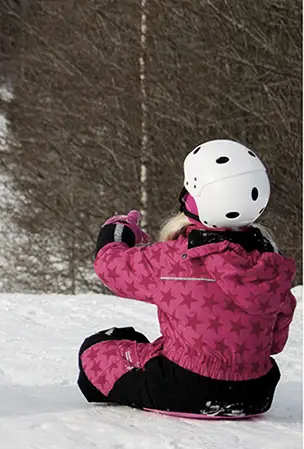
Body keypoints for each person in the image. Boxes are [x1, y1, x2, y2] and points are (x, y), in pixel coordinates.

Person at [77, 139, 296, 417]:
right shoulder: (272, 267)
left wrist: (117, 230)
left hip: (182, 387)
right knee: (135, 340)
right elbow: (275, 343)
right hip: (257, 393)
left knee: (96, 350)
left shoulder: (177, 258)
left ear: (192, 200)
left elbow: (110, 266)